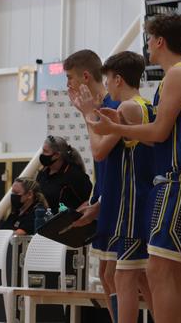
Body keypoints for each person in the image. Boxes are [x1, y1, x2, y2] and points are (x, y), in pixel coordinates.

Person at [87, 13, 181, 323]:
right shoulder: (176, 77)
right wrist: (117, 126)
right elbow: (159, 139)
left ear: (159, 41)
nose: (147, 45)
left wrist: (116, 130)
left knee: (155, 271)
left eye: (149, 38)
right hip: (173, 182)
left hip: (177, 181)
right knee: (175, 271)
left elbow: (158, 133)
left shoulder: (178, 75)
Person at [65, 49, 122, 322]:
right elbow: (102, 163)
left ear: (86, 76)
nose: (68, 86)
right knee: (105, 275)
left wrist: (103, 202)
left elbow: (105, 155)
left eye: (70, 78)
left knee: (125, 275)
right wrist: (96, 199)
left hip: (123, 202)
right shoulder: (96, 107)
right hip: (106, 197)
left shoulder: (114, 106)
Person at [98, 51, 155, 323]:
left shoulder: (128, 108)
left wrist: (88, 112)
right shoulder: (145, 104)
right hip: (141, 197)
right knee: (141, 276)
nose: (107, 86)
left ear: (118, 79)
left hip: (133, 200)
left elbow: (98, 149)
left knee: (123, 275)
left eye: (108, 80)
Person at [36, 135, 92, 213]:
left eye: (45, 151)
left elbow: (88, 202)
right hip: (43, 221)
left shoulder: (74, 175)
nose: (42, 154)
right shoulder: (43, 172)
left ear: (57, 155)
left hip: (66, 223)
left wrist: (71, 219)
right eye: (43, 151)